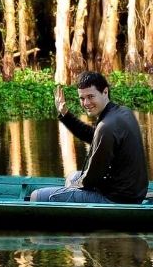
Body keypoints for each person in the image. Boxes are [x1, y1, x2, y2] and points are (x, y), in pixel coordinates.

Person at [29, 72, 149, 204]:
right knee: (71, 177)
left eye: (91, 96)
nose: (86, 103)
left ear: (105, 92)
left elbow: (92, 177)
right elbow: (93, 137)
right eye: (82, 98)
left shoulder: (106, 126)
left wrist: (74, 187)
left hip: (117, 199)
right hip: (133, 192)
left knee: (36, 196)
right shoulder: (122, 112)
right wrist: (65, 114)